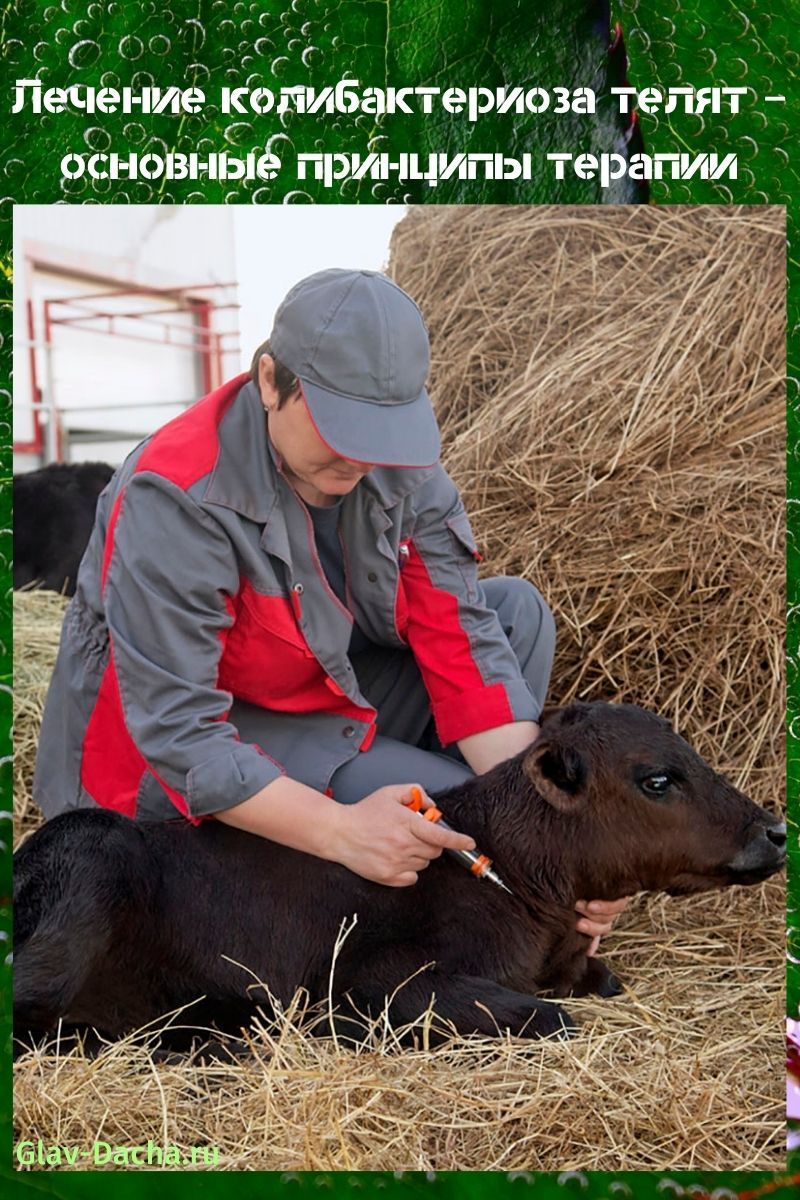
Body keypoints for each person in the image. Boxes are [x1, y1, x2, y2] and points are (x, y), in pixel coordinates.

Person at [34, 268, 626, 949]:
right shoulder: (177, 493)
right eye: (339, 423)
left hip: (315, 685)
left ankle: (426, 839)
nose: (360, 456)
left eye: (383, 430)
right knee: (451, 817)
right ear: (268, 381)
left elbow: (461, 635)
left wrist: (555, 834)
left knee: (514, 613)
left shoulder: (396, 465)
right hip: (184, 744)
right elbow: (181, 734)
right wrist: (341, 832)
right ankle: (394, 854)